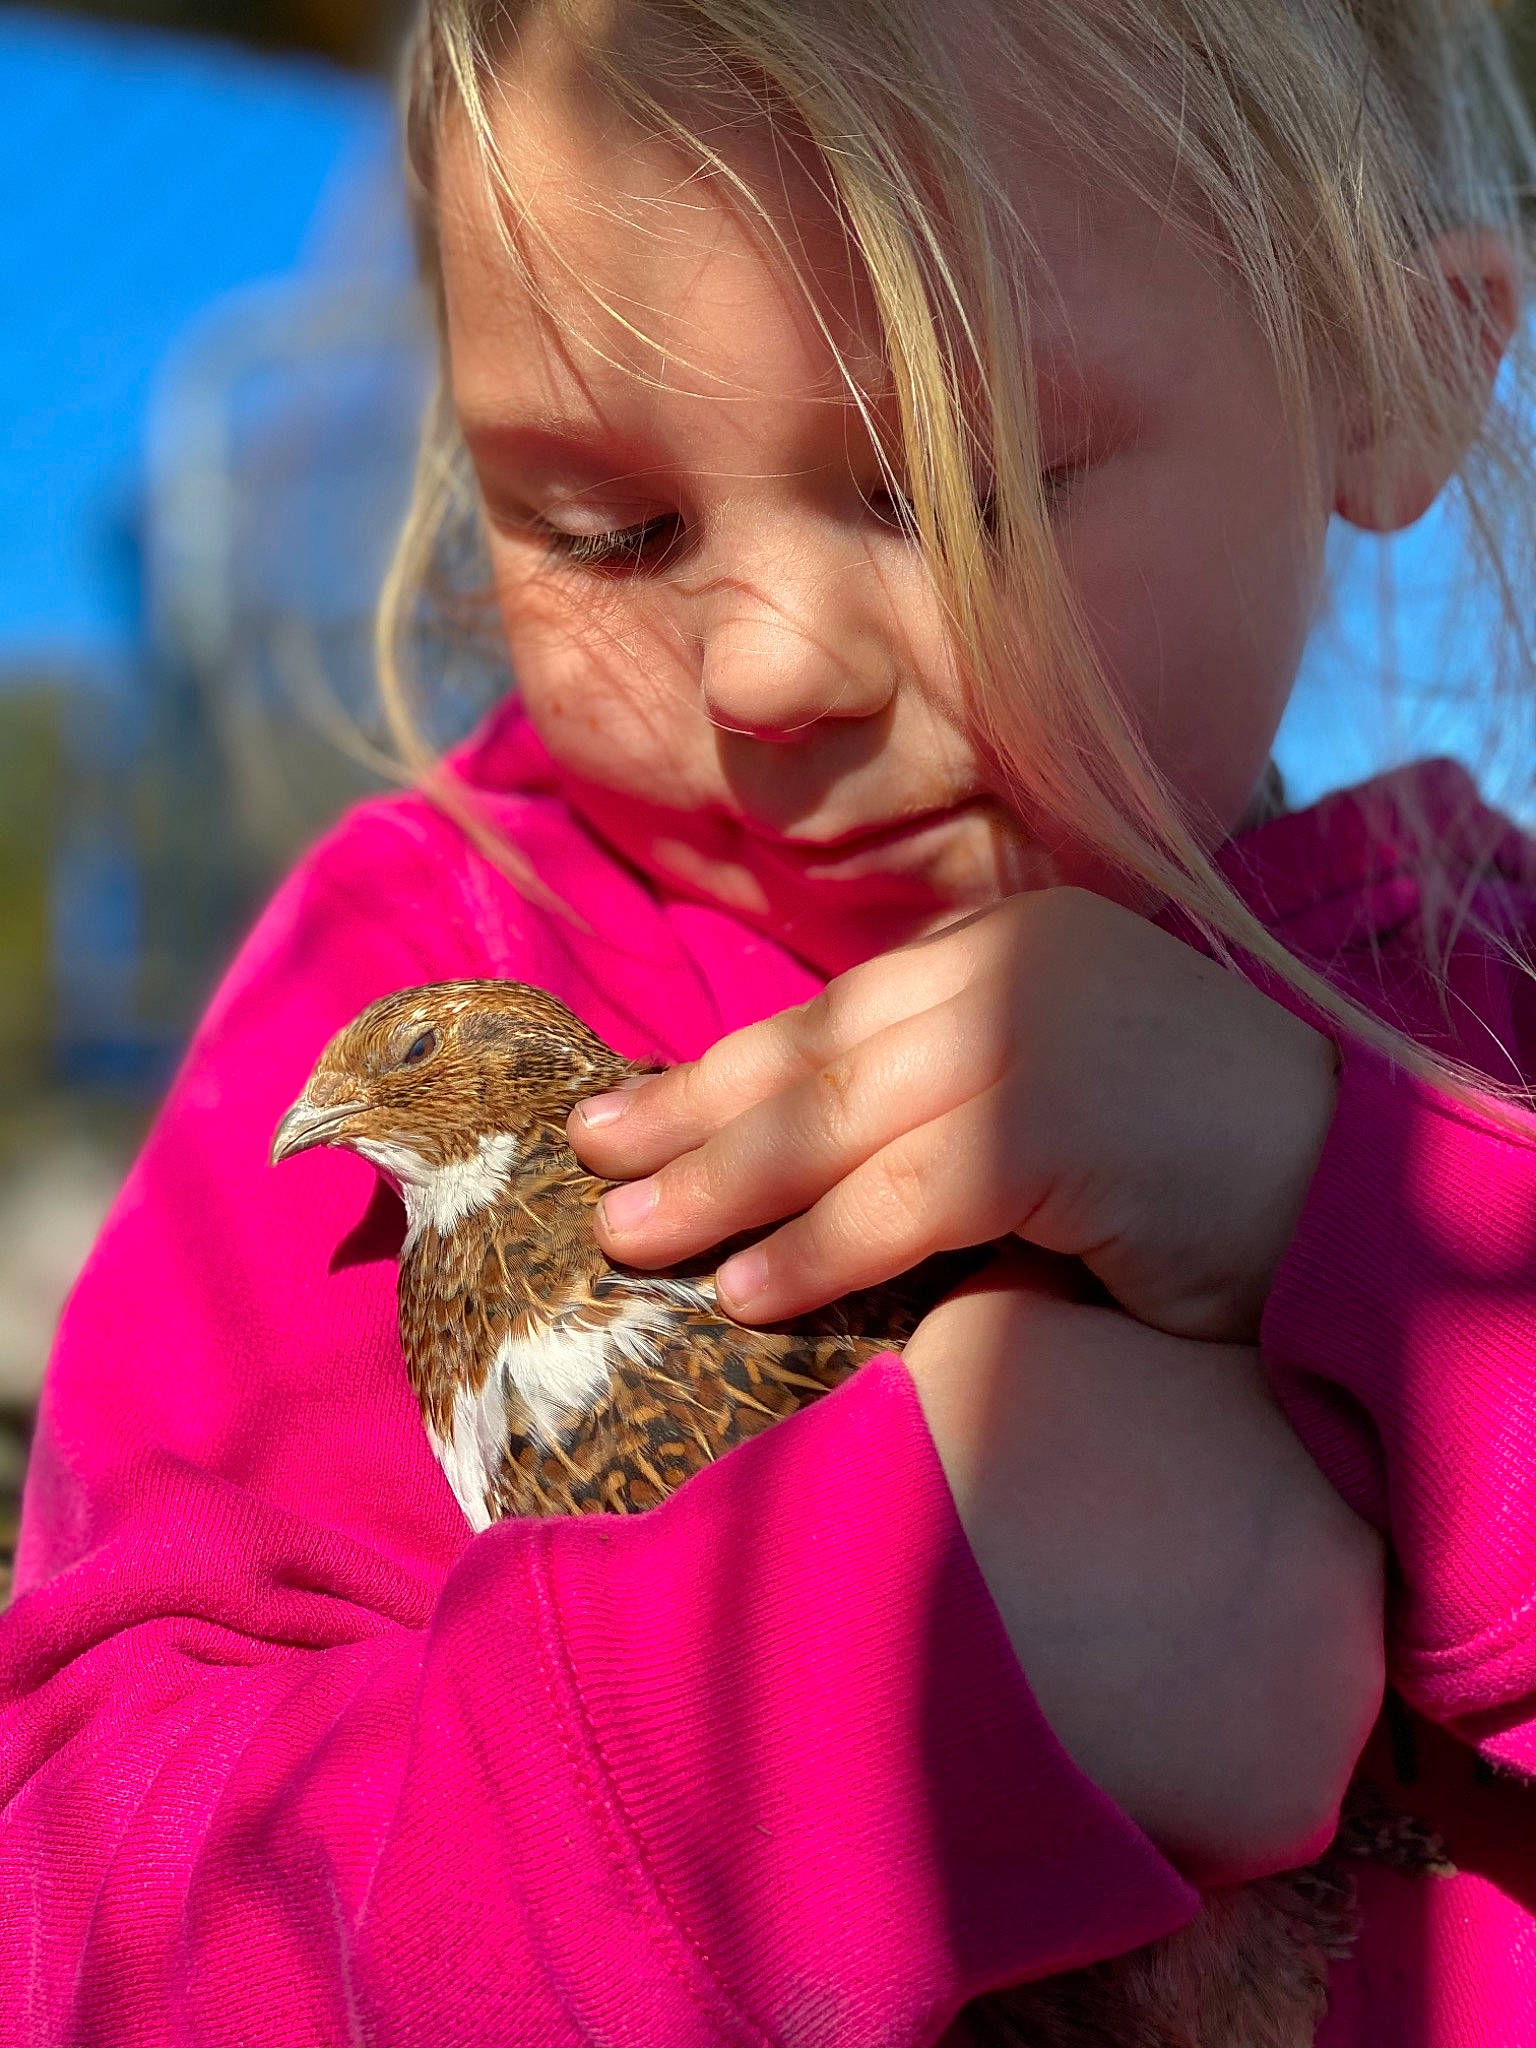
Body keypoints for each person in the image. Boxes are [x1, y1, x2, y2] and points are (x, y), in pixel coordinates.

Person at [4, 0, 1536, 2039]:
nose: (768, 673)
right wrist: (837, 1697)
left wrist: (1342, 1206)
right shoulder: (433, 966)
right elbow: (87, 1917)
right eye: (608, 526)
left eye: (962, 482)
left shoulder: (1478, 1018)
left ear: (1397, 366)